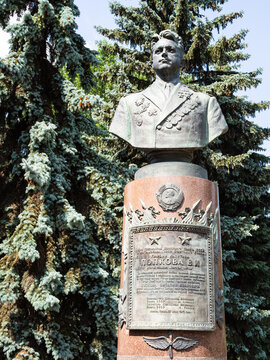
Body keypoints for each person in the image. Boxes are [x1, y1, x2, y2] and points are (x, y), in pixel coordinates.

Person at [109, 30, 228, 157]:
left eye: (171, 50)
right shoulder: (128, 104)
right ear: (152, 62)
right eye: (158, 51)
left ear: (182, 62)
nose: (164, 54)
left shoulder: (206, 103)